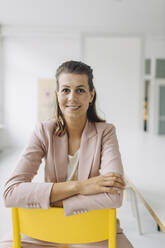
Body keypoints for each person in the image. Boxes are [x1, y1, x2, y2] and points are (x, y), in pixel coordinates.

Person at [2, 60, 133, 248]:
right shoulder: (43, 131)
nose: (72, 98)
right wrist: (80, 186)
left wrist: (52, 199)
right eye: (65, 90)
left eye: (80, 90)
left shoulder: (106, 132)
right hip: (46, 228)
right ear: (57, 95)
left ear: (91, 95)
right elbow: (10, 193)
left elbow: (114, 196)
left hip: (93, 226)